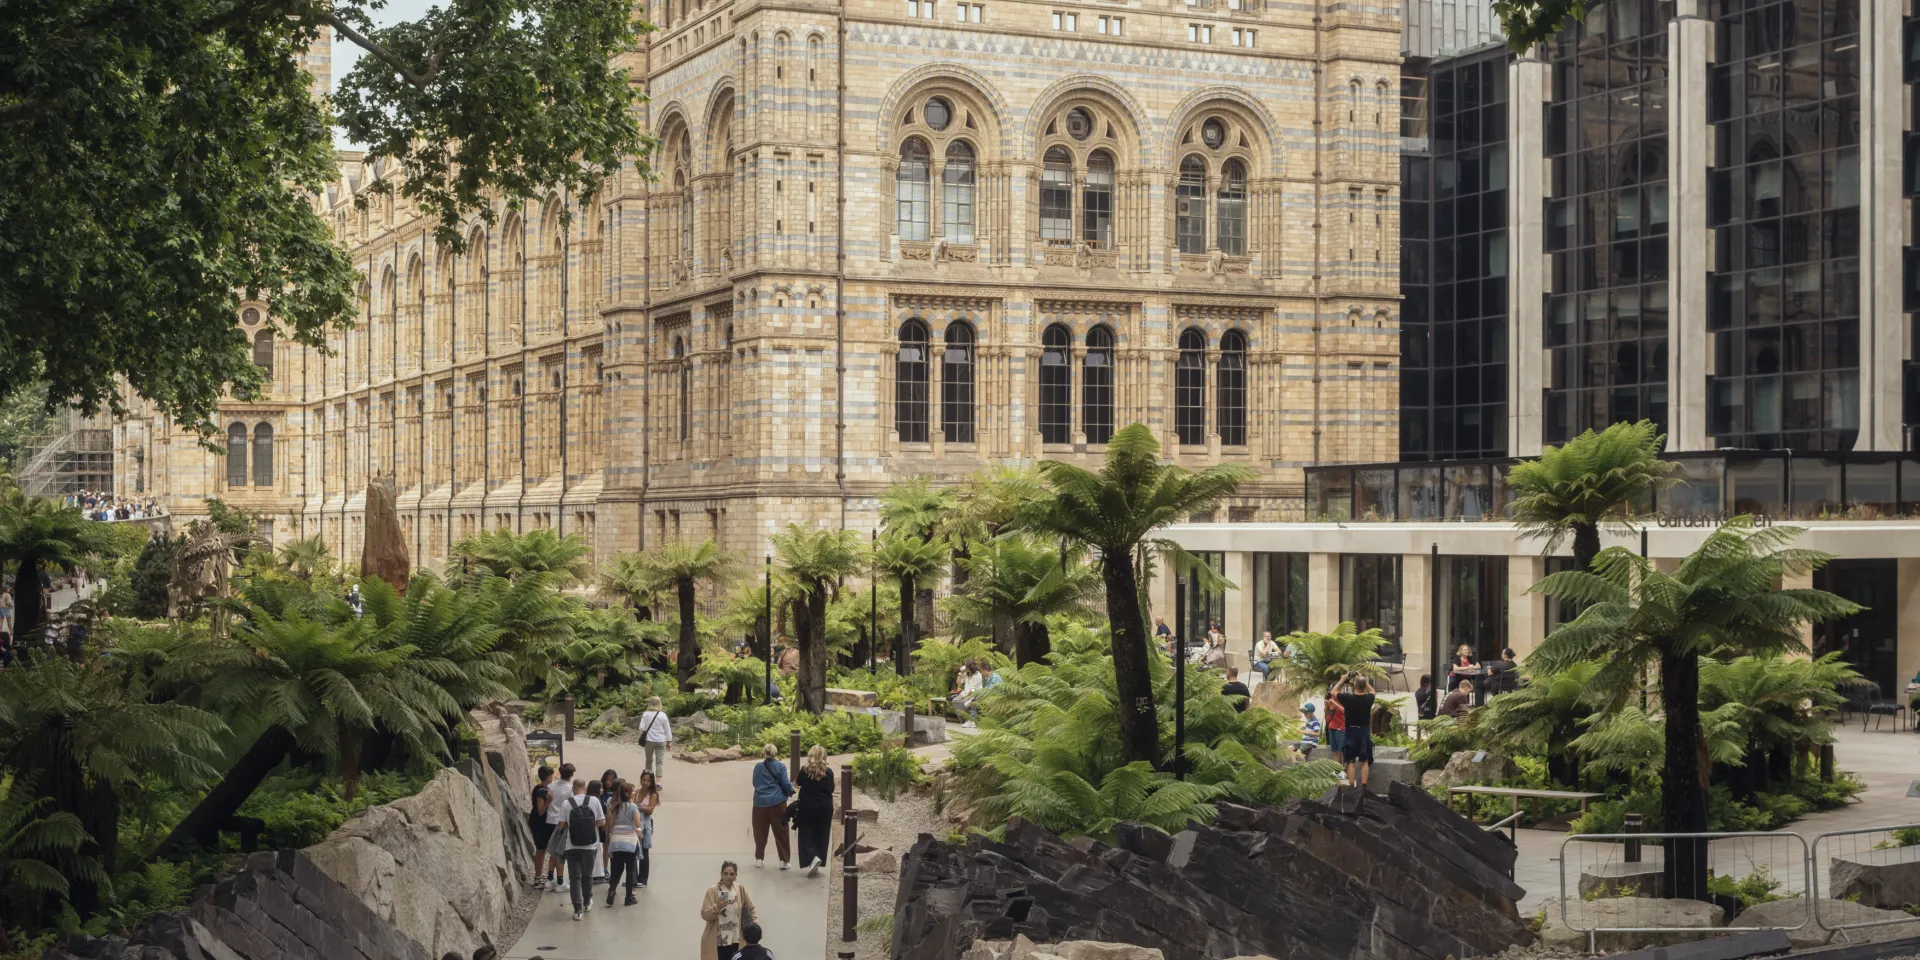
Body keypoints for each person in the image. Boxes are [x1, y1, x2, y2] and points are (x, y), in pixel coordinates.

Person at [552, 778, 605, 921]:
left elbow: (561, 826)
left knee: (575, 878)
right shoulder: (594, 801)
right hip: (590, 845)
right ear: (585, 787)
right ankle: (587, 902)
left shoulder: (566, 803)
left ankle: (577, 911)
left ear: (573, 788)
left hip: (572, 845)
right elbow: (601, 822)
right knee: (588, 875)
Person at [792, 745, 835, 878]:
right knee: (822, 833)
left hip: (807, 805)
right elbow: (831, 789)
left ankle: (812, 857)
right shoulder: (829, 772)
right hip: (825, 806)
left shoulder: (805, 770)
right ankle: (818, 859)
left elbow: (797, 783)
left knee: (806, 833)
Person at [701, 861, 757, 960]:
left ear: (736, 875)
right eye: (725, 873)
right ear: (721, 874)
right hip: (718, 940)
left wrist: (755, 927)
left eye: (732, 874)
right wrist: (716, 908)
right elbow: (704, 914)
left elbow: (751, 907)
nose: (729, 876)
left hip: (737, 939)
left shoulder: (740, 889)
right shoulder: (712, 891)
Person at [750, 743, 794, 869]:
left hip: (759, 803)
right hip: (777, 803)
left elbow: (754, 782)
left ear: (764, 753)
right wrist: (791, 791)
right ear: (775, 753)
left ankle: (759, 859)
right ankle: (783, 861)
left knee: (760, 831)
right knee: (781, 831)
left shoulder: (758, 766)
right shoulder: (780, 766)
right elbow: (786, 784)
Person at [1333, 676, 1377, 791]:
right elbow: (1373, 691)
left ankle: (1351, 786)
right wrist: (1365, 682)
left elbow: (1333, 691)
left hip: (1351, 731)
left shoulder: (1348, 698)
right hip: (1364, 731)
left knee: (1350, 760)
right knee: (1364, 760)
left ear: (1354, 686)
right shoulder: (1368, 699)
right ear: (1364, 686)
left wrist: (1342, 679)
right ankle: (1363, 786)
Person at [604, 781, 643, 907]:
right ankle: (628, 898)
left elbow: (609, 823)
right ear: (627, 793)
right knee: (630, 870)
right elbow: (637, 824)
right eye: (632, 791)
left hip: (615, 841)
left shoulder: (613, 806)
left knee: (616, 870)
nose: (634, 792)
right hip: (629, 843)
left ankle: (612, 890)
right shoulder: (632, 807)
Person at [542, 762, 578, 891]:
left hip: (550, 820)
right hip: (562, 822)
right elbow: (573, 806)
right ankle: (560, 881)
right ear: (571, 775)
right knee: (560, 853)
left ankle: (550, 879)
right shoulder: (570, 789)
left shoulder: (551, 785)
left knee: (552, 851)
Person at [529, 766, 556, 889]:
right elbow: (540, 811)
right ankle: (538, 878)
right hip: (539, 823)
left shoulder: (541, 788)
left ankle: (539, 877)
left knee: (542, 850)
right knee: (541, 850)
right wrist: (548, 801)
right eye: (552, 775)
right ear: (549, 776)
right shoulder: (541, 791)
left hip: (541, 822)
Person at [637, 696, 673, 784]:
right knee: (659, 762)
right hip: (661, 741)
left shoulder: (646, 714)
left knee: (649, 761)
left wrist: (647, 730)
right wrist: (669, 741)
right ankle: (658, 783)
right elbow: (667, 729)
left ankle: (648, 781)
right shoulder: (662, 715)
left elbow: (641, 727)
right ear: (660, 704)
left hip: (649, 740)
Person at [634, 770, 661, 887]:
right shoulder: (636, 792)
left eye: (648, 781)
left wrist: (637, 807)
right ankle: (633, 877)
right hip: (635, 824)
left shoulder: (653, 795)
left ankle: (643, 879)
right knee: (633, 850)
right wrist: (642, 807)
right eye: (644, 780)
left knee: (644, 850)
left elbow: (650, 810)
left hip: (646, 825)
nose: (645, 783)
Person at [1325, 690, 1346, 764]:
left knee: (1343, 751)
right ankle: (1337, 771)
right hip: (1332, 727)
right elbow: (1327, 717)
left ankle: (1344, 772)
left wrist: (1336, 704)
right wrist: (1326, 707)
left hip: (1340, 728)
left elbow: (1347, 712)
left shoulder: (1343, 699)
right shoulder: (1331, 699)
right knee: (1335, 751)